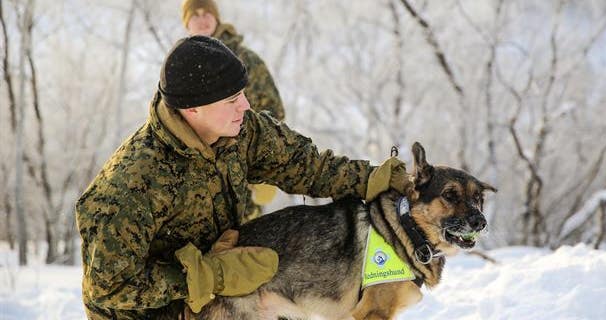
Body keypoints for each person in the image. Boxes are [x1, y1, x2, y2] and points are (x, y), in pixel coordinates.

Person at [76, 36, 413, 319]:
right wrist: (207, 275)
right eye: (233, 99)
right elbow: (108, 287)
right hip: (154, 311)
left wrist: (372, 178)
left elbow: (306, 165)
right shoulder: (131, 185)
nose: (246, 106)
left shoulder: (240, 130)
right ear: (193, 109)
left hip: (228, 295)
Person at [181, 0, 284, 218]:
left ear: (216, 17)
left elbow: (273, 110)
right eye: (195, 15)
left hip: (242, 173)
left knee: (244, 244)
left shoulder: (245, 59)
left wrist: (263, 158)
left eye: (206, 13)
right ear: (186, 22)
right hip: (197, 177)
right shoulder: (180, 65)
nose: (201, 19)